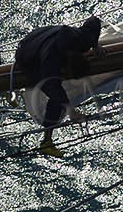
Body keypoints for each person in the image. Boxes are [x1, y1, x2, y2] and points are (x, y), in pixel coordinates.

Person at [14, 16, 103, 156]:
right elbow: (52, 88)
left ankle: (47, 140)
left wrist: (96, 45)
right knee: (57, 98)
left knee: (59, 95)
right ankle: (46, 141)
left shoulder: (84, 39)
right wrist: (71, 111)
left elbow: (94, 21)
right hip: (28, 51)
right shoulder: (50, 63)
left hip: (46, 34)